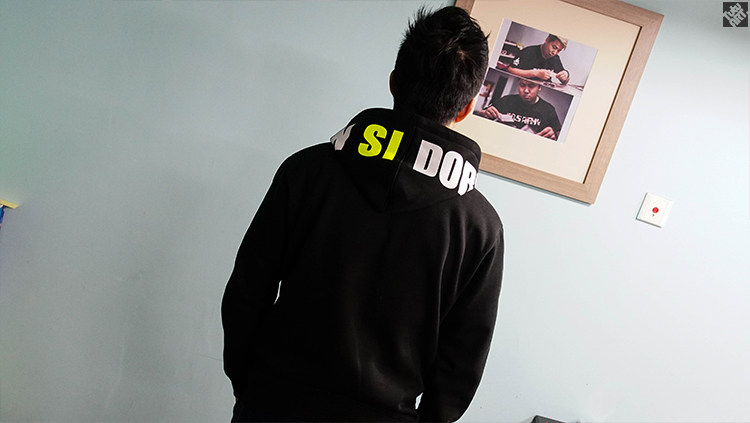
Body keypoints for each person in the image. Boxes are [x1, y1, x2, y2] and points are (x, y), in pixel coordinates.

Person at [222, 6, 504, 423]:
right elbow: (463, 359)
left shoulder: (307, 171)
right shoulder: (479, 225)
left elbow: (247, 291)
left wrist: (251, 387)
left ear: (393, 81)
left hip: (273, 403)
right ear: (465, 109)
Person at [477, 79, 561, 140]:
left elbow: (559, 133)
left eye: (531, 86)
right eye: (522, 85)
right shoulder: (506, 100)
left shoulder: (548, 109)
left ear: (539, 87)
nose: (526, 90)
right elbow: (480, 113)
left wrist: (554, 135)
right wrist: (484, 113)